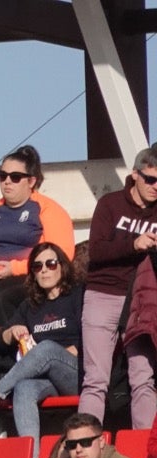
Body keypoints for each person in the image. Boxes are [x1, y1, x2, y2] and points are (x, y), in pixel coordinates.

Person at [0, 242, 84, 458]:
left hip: (77, 373)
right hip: (46, 378)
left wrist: (75, 350)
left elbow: (94, 332)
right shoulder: (30, 306)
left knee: (46, 348)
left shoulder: (77, 296)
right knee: (24, 387)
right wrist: (11, 332)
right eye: (37, 266)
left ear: (62, 267)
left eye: (51, 264)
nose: (44, 269)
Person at [0, 145, 75, 332]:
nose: (7, 182)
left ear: (31, 181)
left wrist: (14, 268)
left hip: (30, 276)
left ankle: (5, 351)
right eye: (2, 176)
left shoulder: (48, 209)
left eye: (15, 177)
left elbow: (62, 254)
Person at [81, 145, 157, 425]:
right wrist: (134, 244)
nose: (155, 187)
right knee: (95, 380)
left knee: (143, 379)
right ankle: (86, 442)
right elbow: (96, 251)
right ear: (135, 175)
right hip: (104, 294)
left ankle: (147, 454)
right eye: (150, 179)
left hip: (141, 301)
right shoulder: (110, 204)